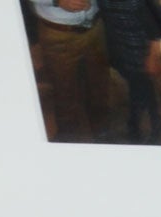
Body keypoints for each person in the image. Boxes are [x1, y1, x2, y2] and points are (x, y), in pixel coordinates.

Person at [29, 0, 114, 143]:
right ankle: (69, 143)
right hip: (58, 33)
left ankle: (103, 137)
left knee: (100, 88)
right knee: (64, 95)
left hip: (95, 26)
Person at [102, 0, 161, 143]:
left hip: (140, 42)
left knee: (141, 81)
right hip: (117, 42)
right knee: (134, 81)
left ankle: (153, 123)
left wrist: (154, 54)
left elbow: (155, 19)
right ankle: (141, 119)